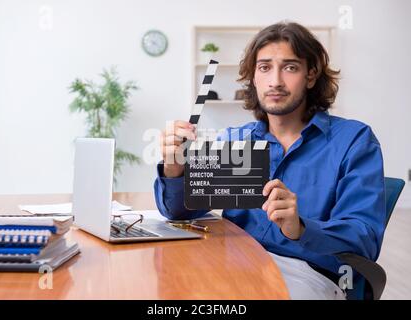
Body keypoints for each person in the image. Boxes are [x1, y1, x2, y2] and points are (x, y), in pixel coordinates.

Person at [154, 21, 386, 300]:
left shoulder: (353, 140)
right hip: (233, 263)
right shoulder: (236, 139)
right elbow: (180, 212)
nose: (275, 81)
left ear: (311, 75)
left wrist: (300, 228)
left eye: (290, 67)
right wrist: (174, 167)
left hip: (306, 273)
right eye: (264, 67)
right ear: (254, 77)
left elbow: (365, 236)